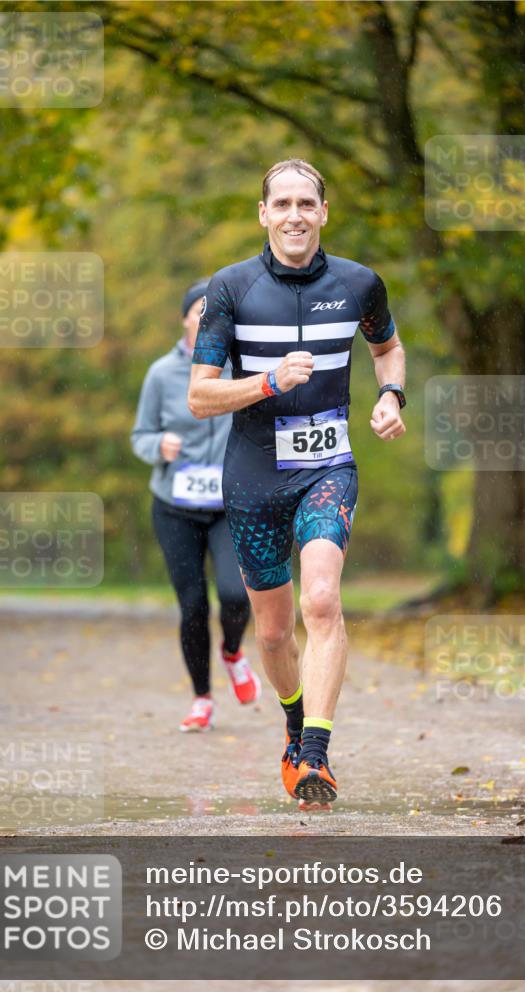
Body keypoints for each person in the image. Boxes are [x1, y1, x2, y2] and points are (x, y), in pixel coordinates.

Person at [188, 159, 406, 805]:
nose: (294, 215)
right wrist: (268, 381)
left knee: (322, 600)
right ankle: (292, 726)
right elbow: (200, 397)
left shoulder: (359, 283)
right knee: (275, 632)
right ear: (263, 214)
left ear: (323, 212)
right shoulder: (231, 288)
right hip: (253, 475)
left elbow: (387, 348)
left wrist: (390, 394)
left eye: (305, 203)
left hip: (327, 468)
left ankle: (315, 753)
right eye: (281, 204)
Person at [131, 279, 260, 733]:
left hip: (229, 504)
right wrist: (158, 446)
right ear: (185, 318)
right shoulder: (161, 374)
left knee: (235, 594)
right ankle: (202, 698)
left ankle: (233, 652)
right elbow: (140, 435)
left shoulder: (240, 367)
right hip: (175, 507)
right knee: (192, 607)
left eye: (216, 314)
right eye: (199, 312)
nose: (207, 321)